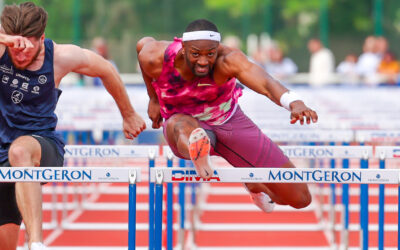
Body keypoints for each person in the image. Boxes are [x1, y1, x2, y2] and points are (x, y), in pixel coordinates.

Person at [0, 2, 146, 250]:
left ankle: (36, 242)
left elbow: (107, 69)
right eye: (16, 49)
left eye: (28, 47)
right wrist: (6, 39)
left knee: (20, 151)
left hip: (41, 145)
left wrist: (129, 113)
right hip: (2, 153)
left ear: (42, 37)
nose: (21, 54)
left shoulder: (60, 57)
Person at [137, 19, 318, 214]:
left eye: (210, 54)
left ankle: (253, 185)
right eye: (196, 54)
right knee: (184, 125)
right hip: (182, 124)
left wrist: (293, 102)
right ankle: (199, 153)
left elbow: (265, 83)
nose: (204, 61)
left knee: (300, 198)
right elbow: (142, 46)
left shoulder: (229, 59)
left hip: (229, 122)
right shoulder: (157, 56)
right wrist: (153, 98)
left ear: (218, 49)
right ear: (183, 48)